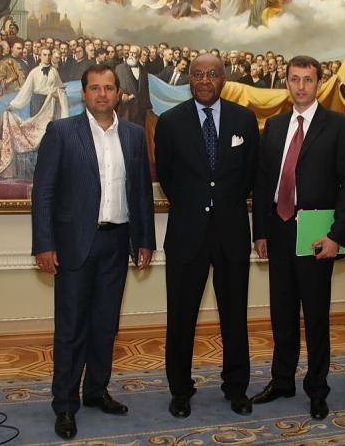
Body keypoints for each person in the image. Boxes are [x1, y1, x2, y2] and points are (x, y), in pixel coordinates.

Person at [31, 64, 156, 440]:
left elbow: (141, 192)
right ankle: (65, 404)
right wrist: (44, 244)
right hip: (74, 245)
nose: (102, 94)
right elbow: (44, 192)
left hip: (116, 243)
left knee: (105, 325)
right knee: (71, 328)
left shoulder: (133, 135)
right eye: (95, 88)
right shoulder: (61, 132)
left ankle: (97, 391)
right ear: (83, 93)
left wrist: (145, 240)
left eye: (109, 88)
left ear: (118, 93)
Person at [252, 56, 345, 420]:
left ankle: (317, 388)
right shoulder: (275, 125)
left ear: (319, 83)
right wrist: (260, 232)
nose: (300, 86)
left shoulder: (338, 125)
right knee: (281, 314)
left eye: (308, 80)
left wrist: (337, 235)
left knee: (315, 317)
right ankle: (282, 381)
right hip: (278, 231)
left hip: (316, 236)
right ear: (286, 82)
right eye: (295, 79)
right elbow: (263, 181)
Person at [154, 54, 259, 418]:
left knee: (235, 316)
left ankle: (236, 387)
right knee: (180, 318)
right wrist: (196, 204)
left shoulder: (244, 120)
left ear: (223, 79)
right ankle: (180, 390)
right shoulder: (170, 122)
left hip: (231, 233)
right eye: (197, 74)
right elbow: (167, 177)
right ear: (188, 78)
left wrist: (223, 204)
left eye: (212, 74)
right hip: (187, 235)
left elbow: (250, 174)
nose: (204, 80)